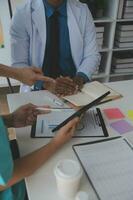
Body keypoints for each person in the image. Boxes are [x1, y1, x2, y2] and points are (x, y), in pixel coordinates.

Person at [10, 0, 101, 95]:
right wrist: (45, 83)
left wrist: (79, 79)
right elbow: (19, 64)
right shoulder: (22, 13)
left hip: (74, 88)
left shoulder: (82, 11)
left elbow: (92, 55)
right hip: (38, 90)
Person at [0, 104, 79, 200]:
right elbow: (8, 177)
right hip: (17, 189)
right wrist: (55, 144)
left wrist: (10, 119)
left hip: (12, 154)